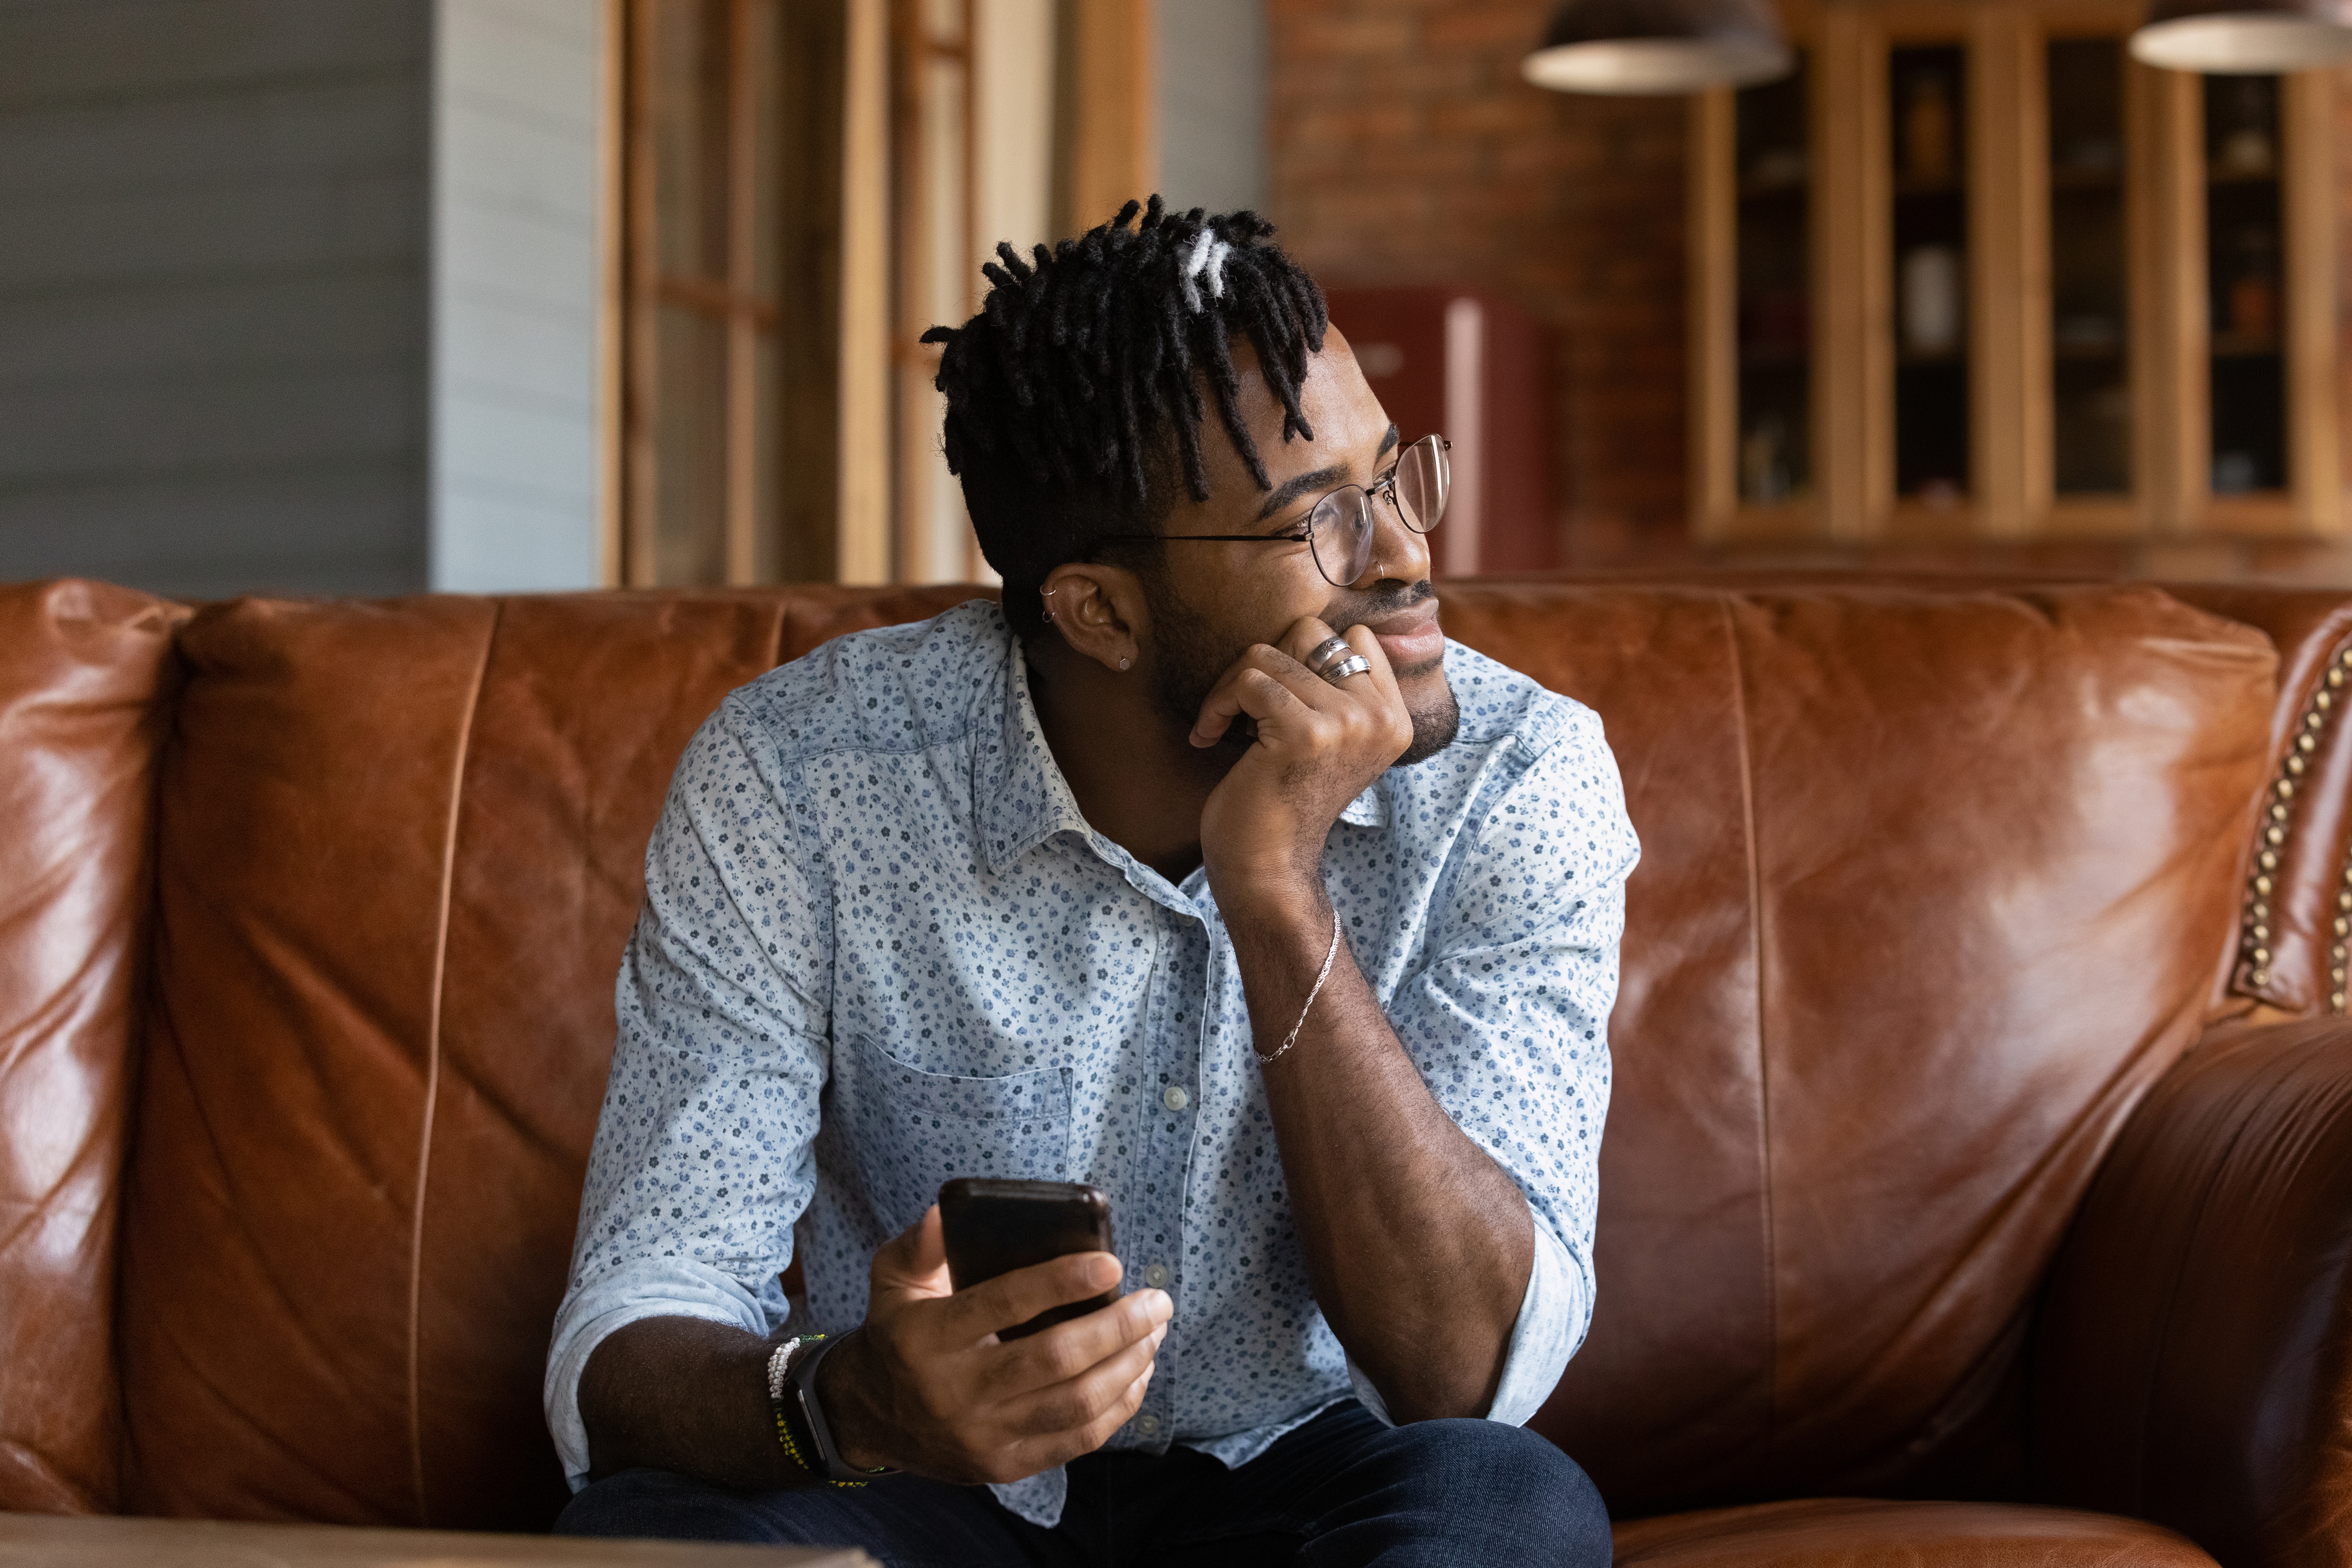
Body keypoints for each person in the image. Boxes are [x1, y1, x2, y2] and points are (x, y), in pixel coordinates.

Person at [547, 198, 1637, 1566]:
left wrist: (1275, 891)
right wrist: (849, 1401)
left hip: (1306, 1474)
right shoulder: (798, 779)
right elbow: (638, 1319)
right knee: (652, 1537)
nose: (1408, 553)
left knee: (1510, 1511)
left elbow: (1467, 1372)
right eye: (1321, 523)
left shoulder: (1514, 778)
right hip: (922, 1488)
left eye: (1396, 473)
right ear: (1097, 611)